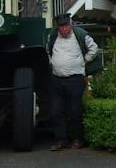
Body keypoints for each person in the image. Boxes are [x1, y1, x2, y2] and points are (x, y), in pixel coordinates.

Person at [47, 13, 98, 151]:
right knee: (56, 112)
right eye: (61, 27)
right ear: (58, 27)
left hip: (75, 79)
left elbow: (94, 49)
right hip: (57, 79)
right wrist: (53, 63)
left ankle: (78, 139)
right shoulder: (52, 36)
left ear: (71, 25)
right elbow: (48, 51)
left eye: (66, 26)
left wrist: (84, 61)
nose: (64, 29)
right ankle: (61, 140)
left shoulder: (80, 34)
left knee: (75, 110)